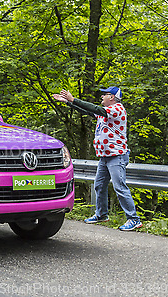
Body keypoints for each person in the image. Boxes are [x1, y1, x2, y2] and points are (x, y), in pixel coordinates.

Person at [53, 86, 142, 231]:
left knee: (120, 187)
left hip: (116, 156)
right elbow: (88, 111)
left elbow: (95, 108)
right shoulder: (105, 113)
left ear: (112, 97)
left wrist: (73, 99)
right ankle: (101, 214)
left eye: (104, 95)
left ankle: (134, 219)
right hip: (105, 157)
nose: (102, 97)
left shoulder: (117, 109)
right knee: (99, 185)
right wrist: (68, 103)